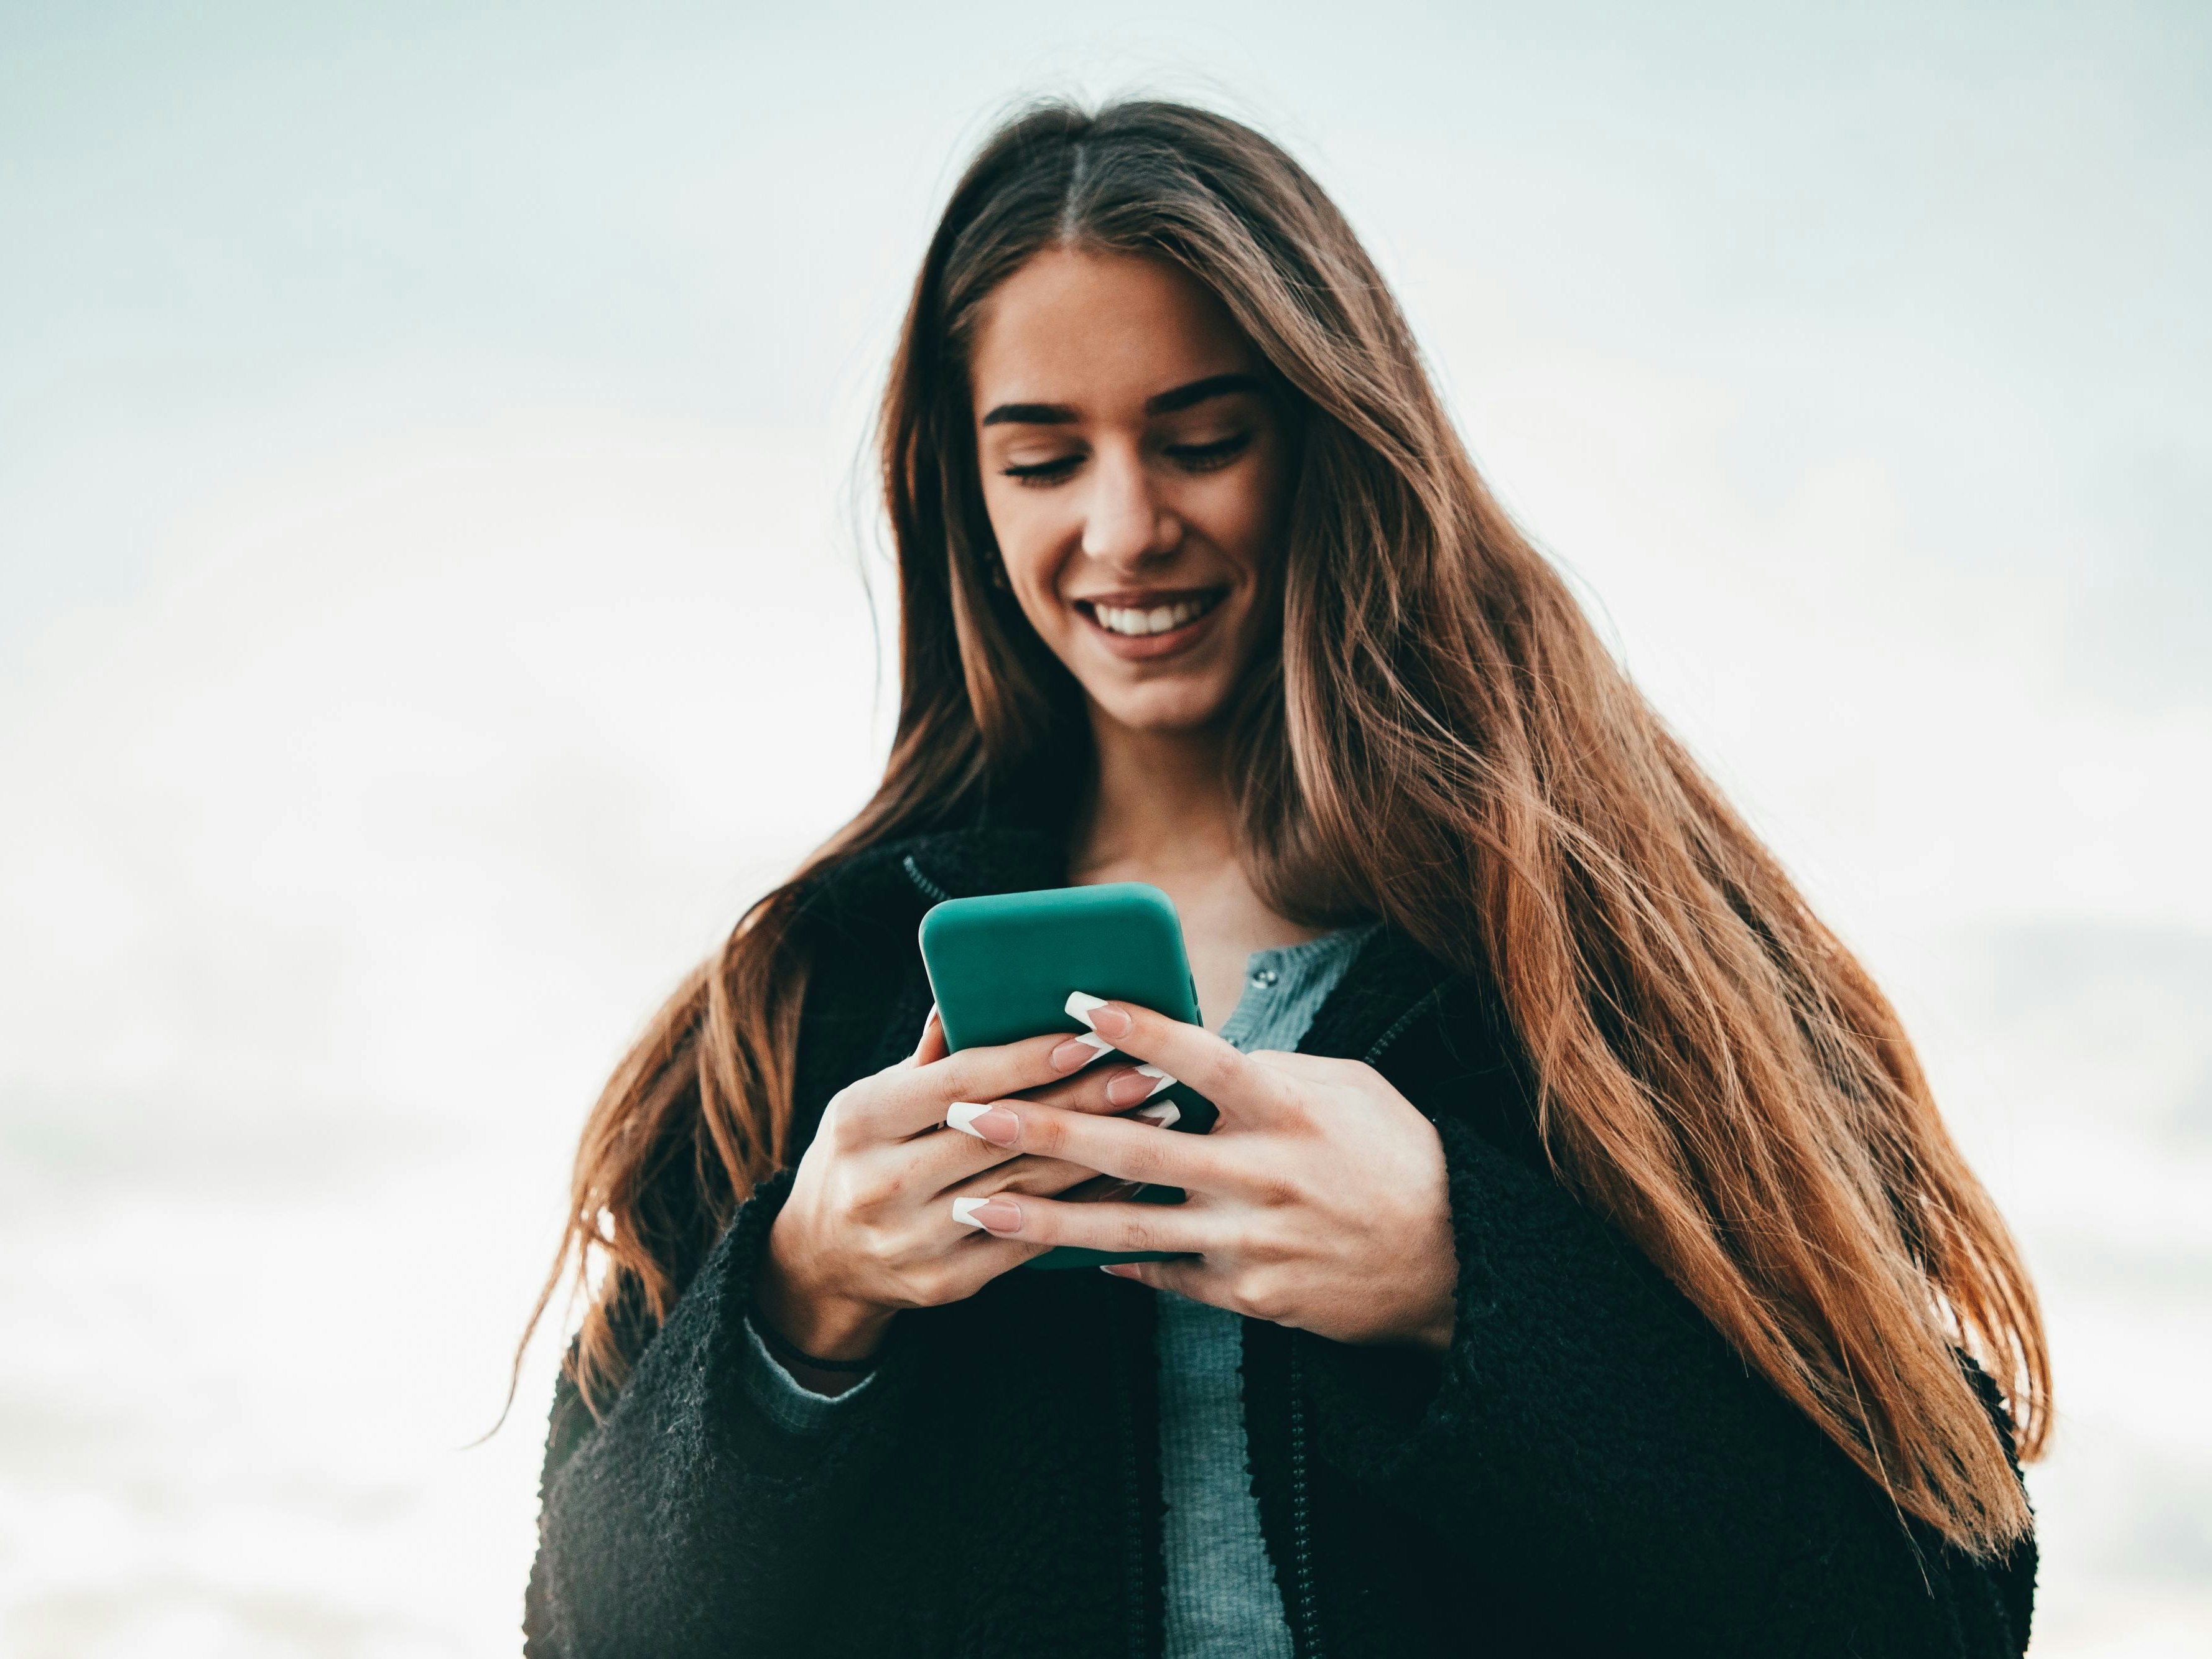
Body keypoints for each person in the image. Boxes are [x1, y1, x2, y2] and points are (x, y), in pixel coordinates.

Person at [519, 100, 2047, 1658]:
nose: (1124, 528)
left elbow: (1942, 1598)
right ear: (961, 494)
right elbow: (584, 1634)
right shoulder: (803, 999)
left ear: (1330, 435)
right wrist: (800, 1305)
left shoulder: (1601, 947)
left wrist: (1465, 1290)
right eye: (1042, 458)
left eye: (1200, 442)